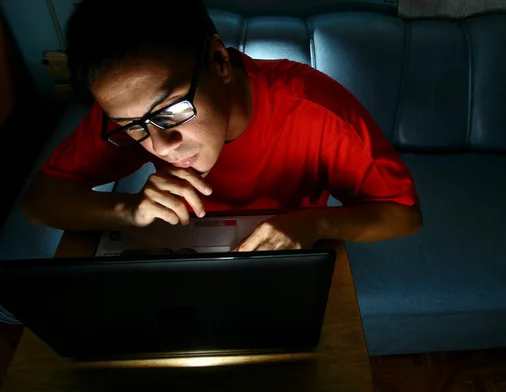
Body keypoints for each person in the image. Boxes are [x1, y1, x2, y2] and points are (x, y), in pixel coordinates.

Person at [20, 0, 423, 252]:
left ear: (219, 61)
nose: (160, 146)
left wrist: (315, 222)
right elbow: (40, 202)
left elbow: (403, 215)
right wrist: (127, 209)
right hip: (180, 254)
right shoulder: (131, 113)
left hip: (283, 255)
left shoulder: (316, 109)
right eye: (132, 126)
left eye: (171, 109)